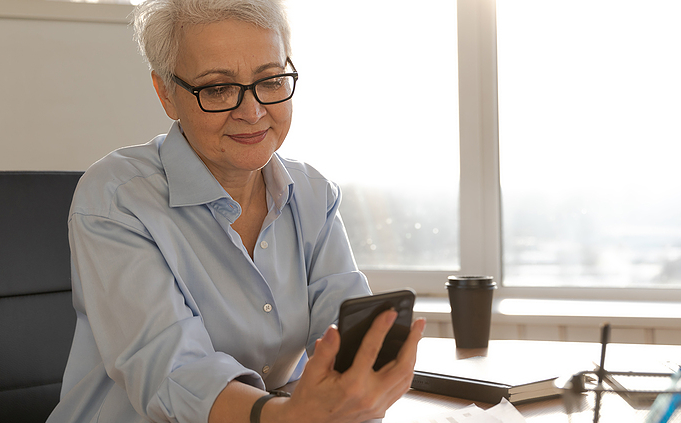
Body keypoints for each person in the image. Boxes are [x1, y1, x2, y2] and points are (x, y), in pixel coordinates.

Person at [47, 0, 425, 422]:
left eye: (270, 80)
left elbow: (345, 339)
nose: (253, 111)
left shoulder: (313, 194)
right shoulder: (116, 198)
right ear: (166, 94)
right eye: (217, 88)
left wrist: (364, 377)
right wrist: (283, 415)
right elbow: (171, 369)